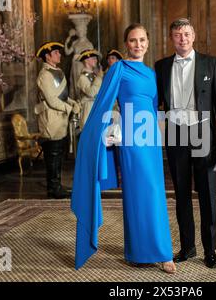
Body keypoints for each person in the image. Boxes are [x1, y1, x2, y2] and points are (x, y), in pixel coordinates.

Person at [71, 23, 176, 274]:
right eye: (132, 40)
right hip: (131, 139)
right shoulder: (118, 69)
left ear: (148, 43)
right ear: (126, 44)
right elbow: (103, 105)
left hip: (149, 138)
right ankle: (154, 253)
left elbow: (152, 108)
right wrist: (102, 132)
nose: (137, 45)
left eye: (141, 40)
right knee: (140, 193)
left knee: (154, 192)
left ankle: (147, 252)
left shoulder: (152, 74)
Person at [155, 18, 216, 269]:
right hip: (175, 133)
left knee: (207, 194)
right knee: (181, 194)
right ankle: (187, 247)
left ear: (194, 35)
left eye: (186, 34)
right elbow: (156, 103)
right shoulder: (162, 66)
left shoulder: (210, 63)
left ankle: (210, 250)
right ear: (171, 38)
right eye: (177, 35)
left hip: (203, 134)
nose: (183, 39)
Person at [35, 42, 80, 199]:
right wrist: (69, 109)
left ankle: (58, 185)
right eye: (56, 53)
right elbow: (52, 100)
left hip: (60, 118)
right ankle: (52, 187)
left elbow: (62, 96)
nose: (59, 55)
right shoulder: (45, 75)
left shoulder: (58, 71)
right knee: (53, 155)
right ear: (47, 56)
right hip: (51, 119)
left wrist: (72, 102)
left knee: (59, 154)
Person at [75, 49, 103, 131]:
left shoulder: (94, 75)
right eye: (93, 58)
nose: (96, 60)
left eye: (96, 58)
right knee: (89, 133)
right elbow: (91, 92)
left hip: (96, 106)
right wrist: (99, 77)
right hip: (88, 108)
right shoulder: (82, 77)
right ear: (86, 60)